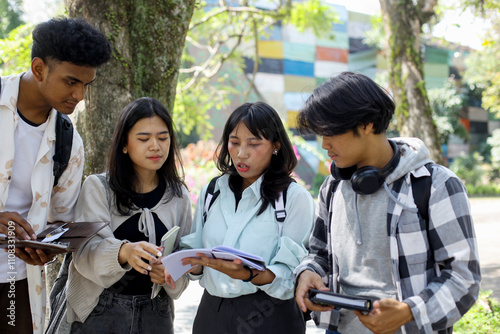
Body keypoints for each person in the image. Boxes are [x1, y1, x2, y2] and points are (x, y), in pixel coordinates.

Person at [294, 72, 481, 334]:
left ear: (367, 123)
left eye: (331, 132)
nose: (324, 144)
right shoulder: (332, 187)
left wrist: (408, 314)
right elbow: (318, 253)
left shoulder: (436, 185)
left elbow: (464, 278)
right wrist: (307, 272)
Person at [0, 17, 111, 333]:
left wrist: (43, 249)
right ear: (39, 69)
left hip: (15, 285)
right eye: (71, 81)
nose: (79, 95)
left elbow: (58, 223)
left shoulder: (68, 141)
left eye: (86, 85)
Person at [175, 102, 315, 334]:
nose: (241, 153)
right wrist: (180, 263)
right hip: (212, 312)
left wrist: (250, 274)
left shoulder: (293, 198)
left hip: (269, 314)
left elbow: (290, 276)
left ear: (276, 146)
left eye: (254, 143)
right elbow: (195, 250)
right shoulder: (212, 191)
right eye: (234, 142)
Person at [58, 97, 192, 333]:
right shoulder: (98, 188)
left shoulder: (178, 195)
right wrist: (123, 252)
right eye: (143, 139)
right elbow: (83, 254)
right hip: (100, 311)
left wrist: (170, 272)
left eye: (163, 138)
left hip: (156, 313)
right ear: (124, 143)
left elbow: (185, 258)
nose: (155, 146)